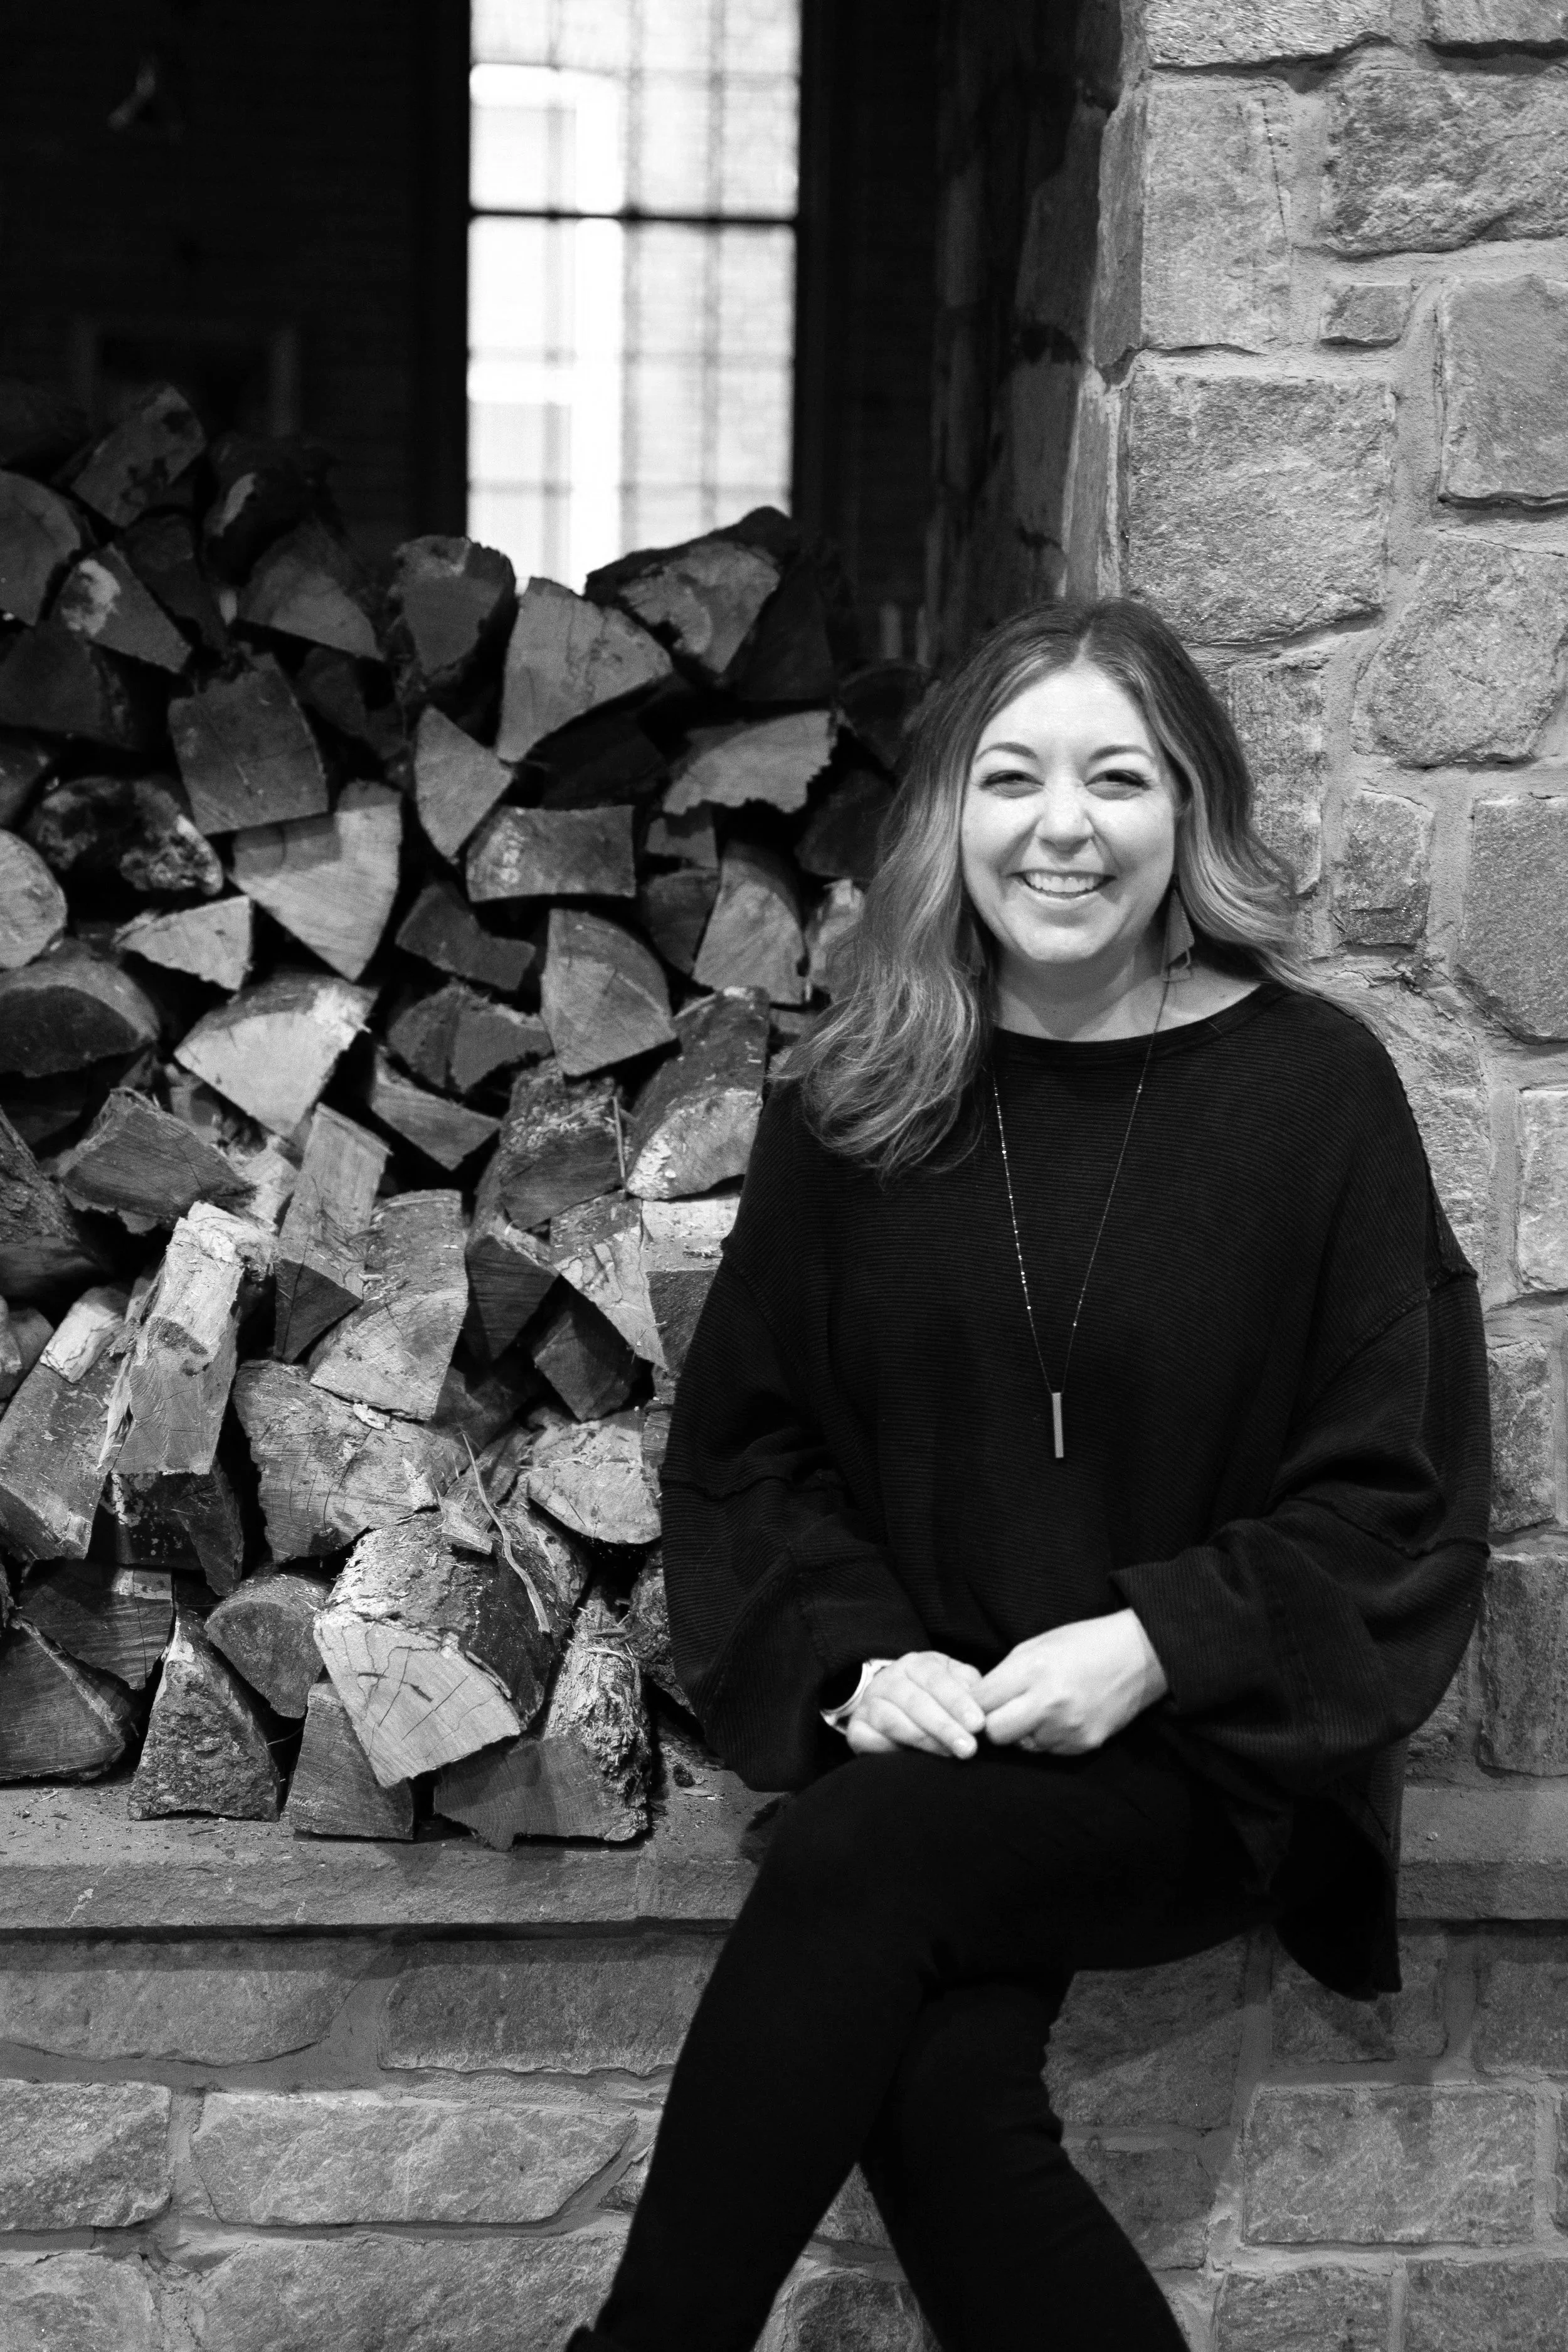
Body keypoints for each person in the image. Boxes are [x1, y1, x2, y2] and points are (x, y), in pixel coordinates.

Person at [566, 597, 1490, 2352]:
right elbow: (751, 1444)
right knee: (936, 2092)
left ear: (1188, 816)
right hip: (934, 1736)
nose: (1061, 826)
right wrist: (859, 1660)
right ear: (947, 816)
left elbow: (1401, 1485)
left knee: (855, 1870)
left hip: (1202, 1748)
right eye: (1011, 777)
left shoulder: (1311, 1092)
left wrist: (1152, 1642)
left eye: (1115, 779)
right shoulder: (859, 1087)